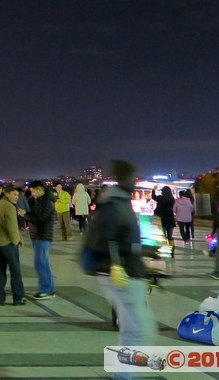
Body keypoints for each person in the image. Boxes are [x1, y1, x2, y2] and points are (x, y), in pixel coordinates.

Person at [86, 160, 155, 380]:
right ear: (123, 179)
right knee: (139, 329)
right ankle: (125, 375)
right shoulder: (115, 205)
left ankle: (123, 374)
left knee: (133, 329)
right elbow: (106, 242)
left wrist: (141, 250)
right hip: (120, 274)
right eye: (132, 178)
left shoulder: (119, 202)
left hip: (124, 272)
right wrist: (136, 250)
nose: (134, 183)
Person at [0, 181, 26, 306]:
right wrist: (17, 241)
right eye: (14, 194)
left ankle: (0, 298)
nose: (16, 197)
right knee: (15, 271)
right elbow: (12, 227)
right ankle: (18, 297)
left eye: (18, 195)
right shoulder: (9, 207)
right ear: (7, 194)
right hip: (7, 244)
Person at [25, 180, 57, 299]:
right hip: (37, 236)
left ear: (40, 190)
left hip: (43, 236)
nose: (32, 194)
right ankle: (48, 289)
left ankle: (47, 290)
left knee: (41, 263)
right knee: (42, 263)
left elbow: (40, 219)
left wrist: (25, 215)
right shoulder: (37, 201)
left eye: (33, 191)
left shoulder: (48, 203)